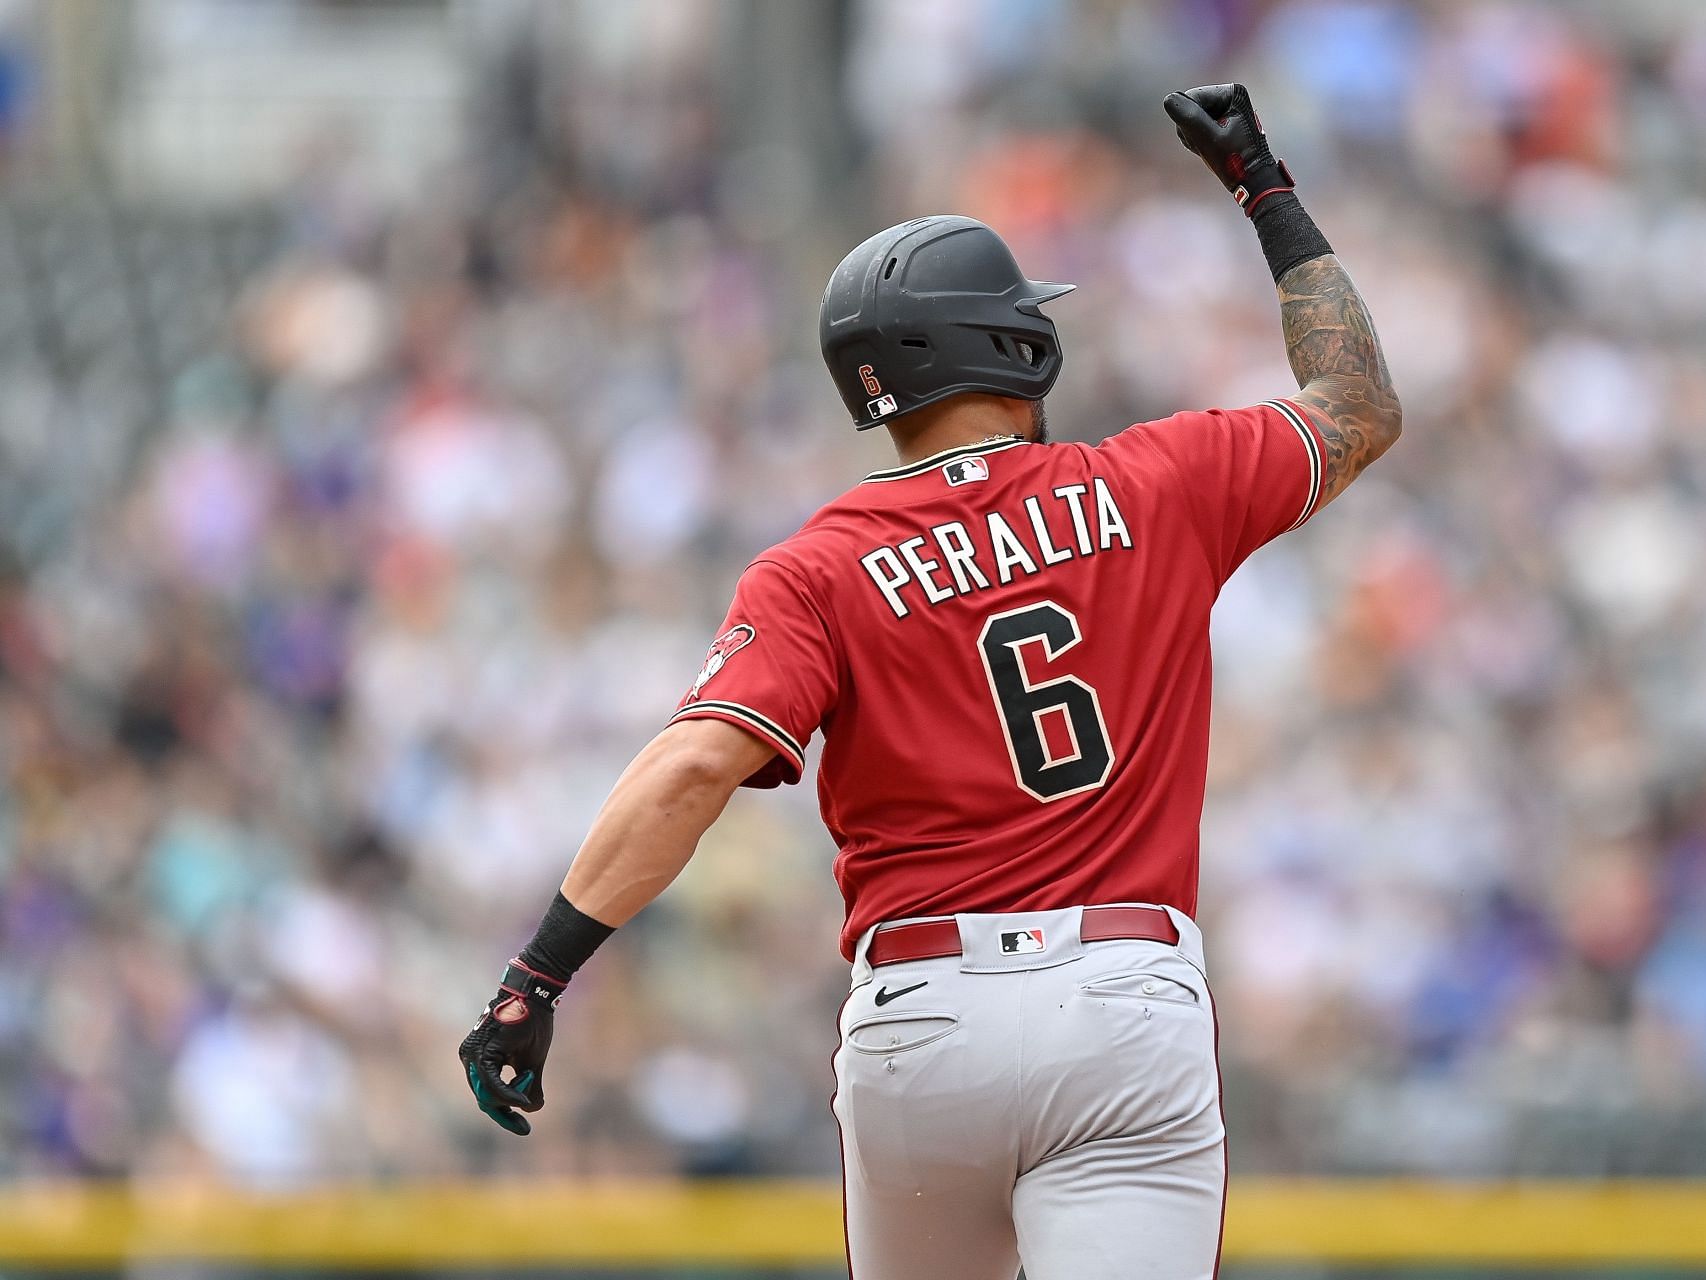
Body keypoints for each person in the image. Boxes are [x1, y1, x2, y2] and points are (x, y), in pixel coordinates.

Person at [459, 83, 1401, 1279]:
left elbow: (696, 761)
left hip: (924, 1012)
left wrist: (537, 974)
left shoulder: (816, 566)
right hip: (1124, 991)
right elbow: (1361, 404)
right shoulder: (1159, 483)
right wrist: (1264, 190)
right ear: (1015, 341)